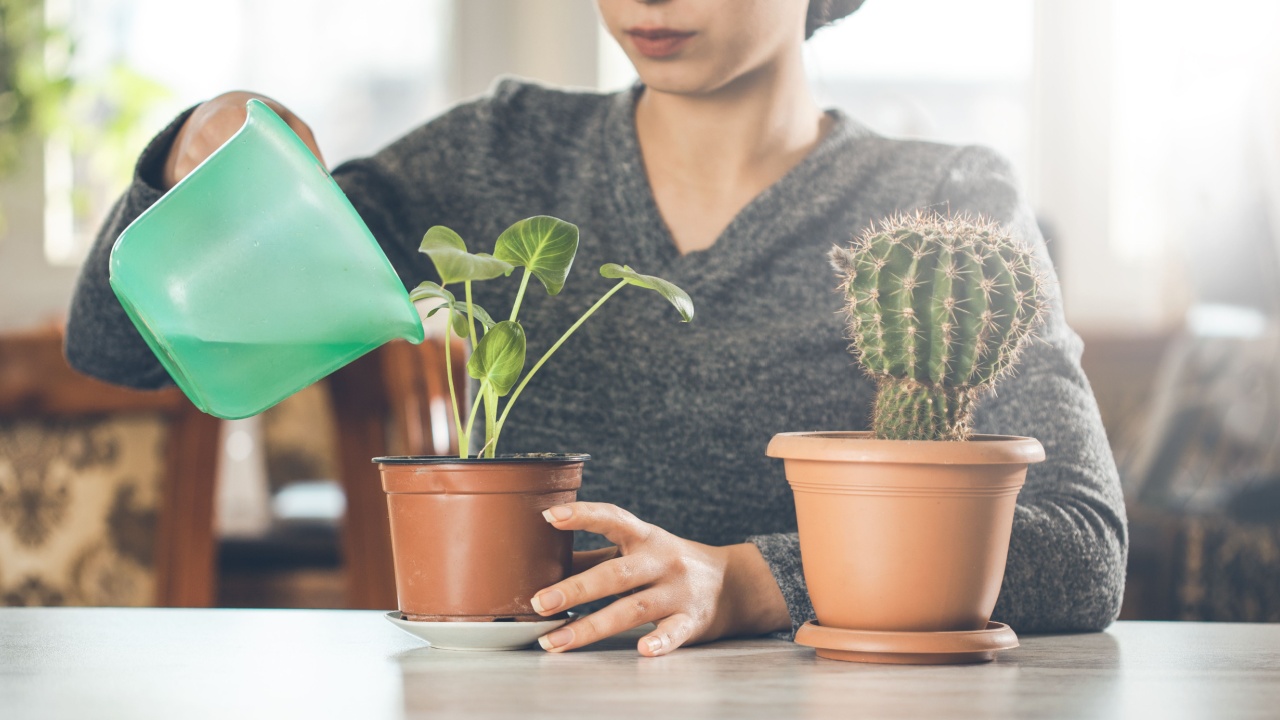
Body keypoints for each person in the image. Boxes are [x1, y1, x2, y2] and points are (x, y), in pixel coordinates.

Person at [65, 0, 1128, 656]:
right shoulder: (500, 152)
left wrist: (752, 581)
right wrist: (182, 161)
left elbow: (1081, 549)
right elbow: (114, 349)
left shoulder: (942, 203)